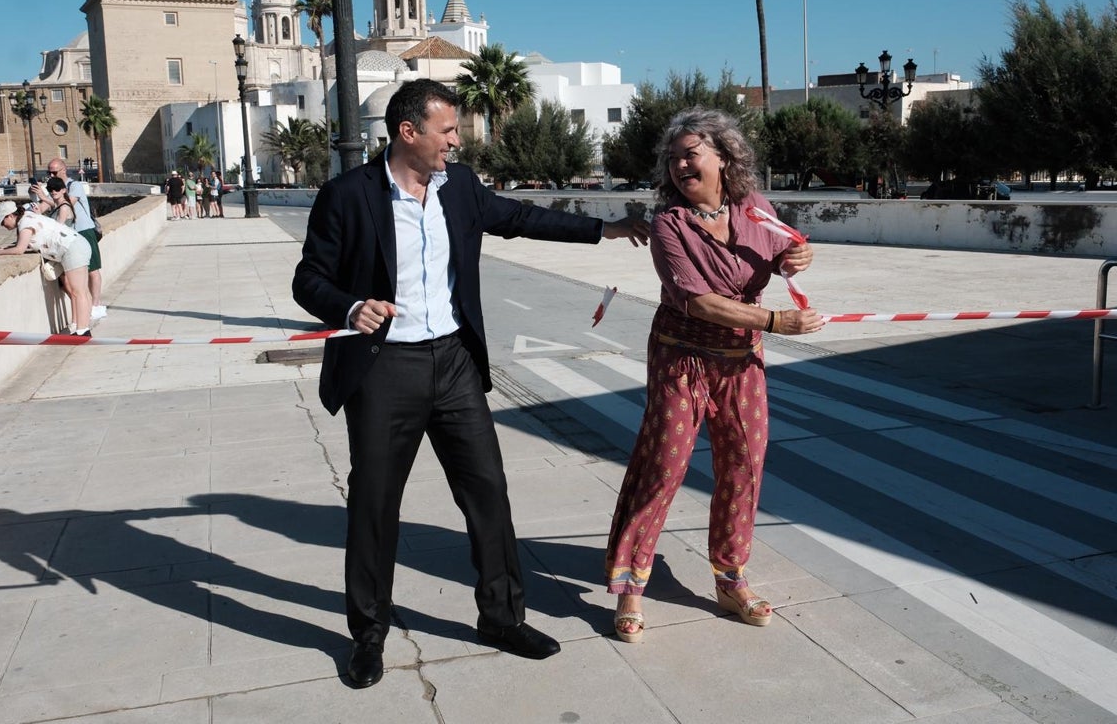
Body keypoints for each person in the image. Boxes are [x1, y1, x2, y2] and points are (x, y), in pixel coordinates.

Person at [292, 79, 649, 689]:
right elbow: (309, 279)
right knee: (375, 506)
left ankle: (503, 618)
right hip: (384, 369)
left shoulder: (459, 189)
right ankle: (369, 636)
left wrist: (606, 230)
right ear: (409, 133)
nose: (456, 141)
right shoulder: (347, 195)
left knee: (488, 492)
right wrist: (351, 309)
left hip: (455, 362)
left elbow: (521, 217)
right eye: (447, 131)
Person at [604, 107, 822, 644]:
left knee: (743, 467)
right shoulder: (669, 225)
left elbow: (786, 250)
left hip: (742, 364)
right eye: (673, 158)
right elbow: (698, 301)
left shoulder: (756, 210)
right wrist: (776, 321)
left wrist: (799, 257)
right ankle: (632, 585)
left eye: (690, 154)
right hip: (682, 357)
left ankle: (731, 578)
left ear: (723, 157)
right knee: (664, 467)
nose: (680, 165)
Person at [0, 200, 93, 336]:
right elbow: (23, 244)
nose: (2, 225)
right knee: (82, 291)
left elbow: (20, 249)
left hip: (71, 248)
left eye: (2, 222)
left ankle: (83, 331)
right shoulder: (28, 216)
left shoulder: (25, 223)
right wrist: (3, 248)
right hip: (76, 244)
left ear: (10, 216)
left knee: (78, 292)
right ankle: (81, 327)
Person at [32, 158, 106, 321]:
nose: (50, 175)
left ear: (64, 170)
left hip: (84, 231)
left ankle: (96, 305)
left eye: (54, 172)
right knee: (72, 276)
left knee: (93, 270)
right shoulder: (52, 189)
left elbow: (65, 204)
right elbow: (48, 206)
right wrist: (34, 207)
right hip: (69, 237)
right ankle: (86, 305)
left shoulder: (75, 186)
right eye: (48, 172)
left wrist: (44, 197)